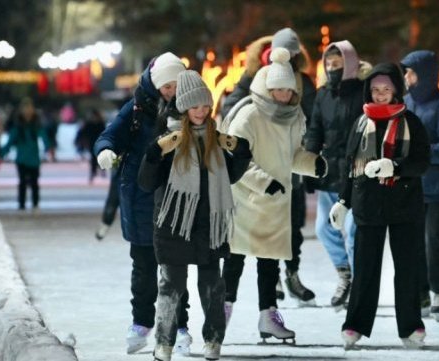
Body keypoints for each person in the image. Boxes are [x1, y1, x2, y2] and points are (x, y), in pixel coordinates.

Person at [138, 69, 252, 361]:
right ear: (183, 107)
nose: (201, 111)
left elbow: (232, 177)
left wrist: (240, 150)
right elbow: (146, 183)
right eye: (194, 105)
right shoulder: (170, 138)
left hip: (208, 225)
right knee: (171, 288)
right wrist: (155, 153)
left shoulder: (216, 139)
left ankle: (213, 339)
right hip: (174, 222)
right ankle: (164, 343)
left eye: (205, 105)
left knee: (213, 287)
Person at [222, 48, 326, 342]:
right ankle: (222, 310)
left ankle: (269, 315)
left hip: (276, 201)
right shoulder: (248, 114)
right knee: (234, 258)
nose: (282, 94)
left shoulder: (294, 116)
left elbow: (291, 155)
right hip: (244, 199)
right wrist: (263, 182)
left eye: (287, 89)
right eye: (277, 89)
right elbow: (235, 159)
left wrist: (311, 164)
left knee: (269, 263)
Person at [93, 52, 192, 355]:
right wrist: (106, 151)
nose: (172, 92)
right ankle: (141, 323)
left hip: (177, 198)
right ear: (155, 84)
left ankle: (179, 325)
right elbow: (109, 135)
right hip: (140, 199)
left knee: (176, 269)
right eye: (166, 86)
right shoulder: (135, 109)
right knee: (144, 268)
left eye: (177, 85)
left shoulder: (191, 108)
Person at [330, 62, 429, 350]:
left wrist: (394, 166)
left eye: (386, 89)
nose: (380, 95)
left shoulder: (412, 122)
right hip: (368, 204)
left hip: (404, 205)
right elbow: (351, 166)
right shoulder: (361, 122)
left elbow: (422, 162)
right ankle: (354, 325)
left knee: (407, 268)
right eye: (375, 90)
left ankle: (411, 326)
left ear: (397, 90)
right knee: (365, 268)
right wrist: (343, 201)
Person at [304, 40, 372, 309]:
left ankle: (357, 285)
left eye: (338, 64)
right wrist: (310, 166)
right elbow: (314, 131)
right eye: (329, 64)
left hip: (357, 174)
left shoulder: (363, 92)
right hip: (330, 172)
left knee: (353, 229)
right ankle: (344, 272)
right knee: (324, 227)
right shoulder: (322, 95)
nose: (333, 69)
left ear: (350, 64)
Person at [401, 50, 439, 322]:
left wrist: (418, 153)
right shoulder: (405, 104)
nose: (406, 77)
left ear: (424, 74)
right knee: (412, 242)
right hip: (413, 186)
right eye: (405, 72)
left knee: (433, 240)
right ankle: (421, 291)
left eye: (411, 72)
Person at [0, 97, 53, 211]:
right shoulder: (17, 127)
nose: (27, 112)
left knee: (34, 183)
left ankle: (35, 204)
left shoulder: (36, 125)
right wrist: (1, 156)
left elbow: (44, 138)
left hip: (34, 160)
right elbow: (10, 142)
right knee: (22, 183)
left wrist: (49, 149)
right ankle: (21, 204)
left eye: (30, 109)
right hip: (21, 159)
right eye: (25, 109)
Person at [76, 108, 107, 183]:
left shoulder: (100, 123)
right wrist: (79, 140)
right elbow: (81, 133)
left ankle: (102, 169)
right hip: (92, 143)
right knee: (93, 158)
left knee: (100, 156)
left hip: (100, 142)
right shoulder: (88, 124)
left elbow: (105, 132)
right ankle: (93, 172)